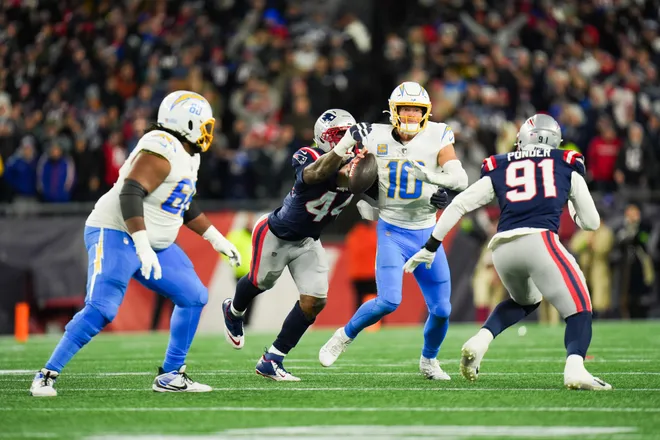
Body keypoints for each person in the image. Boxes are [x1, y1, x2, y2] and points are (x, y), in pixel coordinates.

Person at [30, 91, 240, 396]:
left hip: (153, 242)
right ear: (188, 122)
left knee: (194, 295)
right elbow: (131, 191)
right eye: (204, 124)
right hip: (116, 231)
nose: (209, 131)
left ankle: (171, 375)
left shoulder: (189, 154)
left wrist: (214, 237)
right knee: (102, 309)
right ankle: (46, 374)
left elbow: (181, 202)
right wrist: (142, 245)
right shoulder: (162, 146)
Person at [403, 114, 611, 390]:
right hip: (540, 240)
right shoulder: (566, 162)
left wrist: (431, 246)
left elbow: (459, 205)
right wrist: (571, 204)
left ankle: (480, 341)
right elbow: (592, 223)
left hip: (502, 247)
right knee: (581, 306)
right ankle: (575, 368)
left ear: (522, 139)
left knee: (525, 301)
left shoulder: (501, 164)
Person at [319, 81, 467, 380]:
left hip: (427, 234)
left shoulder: (438, 134)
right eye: (405, 109)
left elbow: (459, 177)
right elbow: (337, 163)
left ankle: (429, 361)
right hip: (392, 230)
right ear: (393, 111)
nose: (411, 115)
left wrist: (441, 185)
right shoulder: (372, 134)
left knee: (441, 310)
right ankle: (342, 337)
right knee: (388, 300)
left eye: (417, 110)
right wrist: (345, 154)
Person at [222, 109, 371, 381]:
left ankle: (273, 359)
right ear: (325, 139)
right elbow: (317, 174)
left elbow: (379, 192)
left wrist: (429, 198)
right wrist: (344, 148)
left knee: (314, 302)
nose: (349, 142)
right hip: (276, 233)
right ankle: (233, 310)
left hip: (307, 241)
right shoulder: (308, 155)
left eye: (349, 136)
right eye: (340, 136)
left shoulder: (356, 165)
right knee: (260, 283)